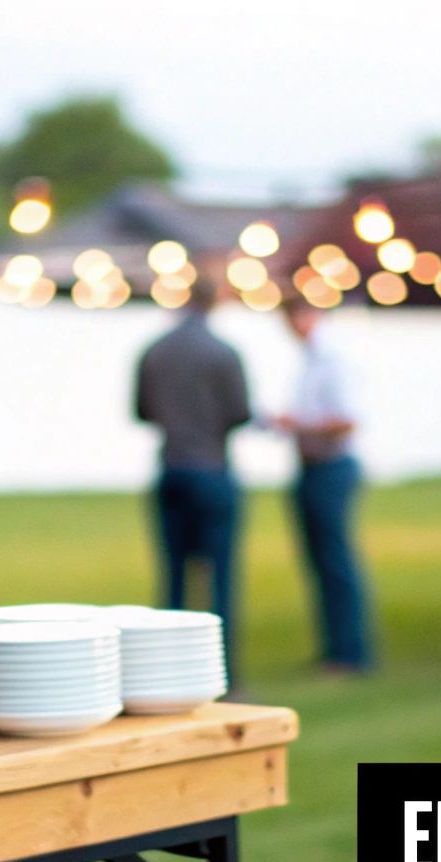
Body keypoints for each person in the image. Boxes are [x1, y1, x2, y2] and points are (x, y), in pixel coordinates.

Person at [133, 268, 251, 667]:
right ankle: (223, 671)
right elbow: (240, 412)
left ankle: (168, 668)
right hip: (212, 467)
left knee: (174, 579)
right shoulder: (223, 351)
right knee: (221, 579)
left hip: (171, 468)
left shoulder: (156, 349)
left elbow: (141, 410)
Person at [272, 297, 373, 674]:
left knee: (336, 559)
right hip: (310, 465)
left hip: (331, 465)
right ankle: (335, 647)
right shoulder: (310, 360)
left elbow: (347, 419)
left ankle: (351, 651)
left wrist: (297, 424)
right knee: (318, 560)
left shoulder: (333, 359)